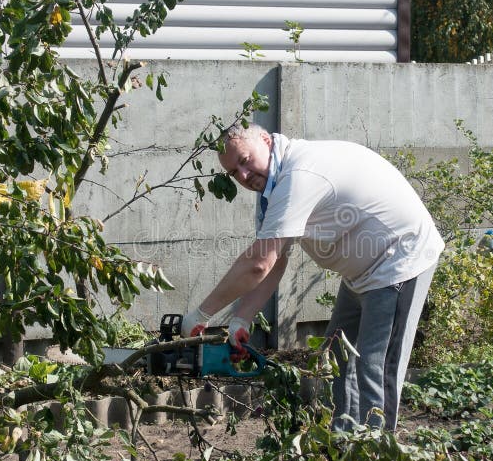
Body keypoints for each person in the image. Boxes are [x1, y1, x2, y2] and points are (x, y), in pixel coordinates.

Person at [182, 123, 444, 430]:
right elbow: (277, 258)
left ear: (266, 140)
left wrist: (202, 313)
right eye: (232, 172)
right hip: (363, 270)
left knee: (373, 366)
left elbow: (259, 264)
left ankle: (375, 460)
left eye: (244, 160)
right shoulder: (274, 188)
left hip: (398, 261)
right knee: (336, 358)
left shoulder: (299, 176)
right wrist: (241, 319)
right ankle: (344, 445)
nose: (242, 175)